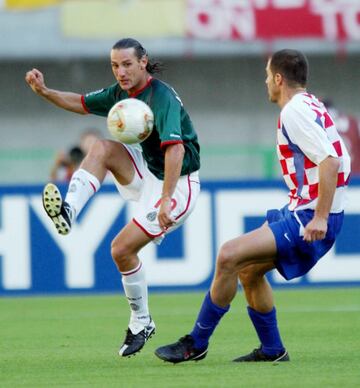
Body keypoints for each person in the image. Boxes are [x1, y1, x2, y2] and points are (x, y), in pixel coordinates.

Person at [155, 49, 351, 364]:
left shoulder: (294, 112)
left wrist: (321, 216)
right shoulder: (311, 104)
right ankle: (273, 350)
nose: (265, 83)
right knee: (247, 270)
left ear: (278, 78)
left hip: (308, 216)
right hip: (302, 209)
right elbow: (340, 157)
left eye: (266, 76)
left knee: (228, 254)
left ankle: (196, 343)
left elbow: (331, 160)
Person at [25, 37, 201, 357]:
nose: (120, 72)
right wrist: (45, 92)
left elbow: (175, 150)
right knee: (102, 147)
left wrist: (163, 200)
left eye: (127, 64)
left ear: (143, 62)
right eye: (115, 66)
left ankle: (140, 322)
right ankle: (68, 211)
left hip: (177, 184)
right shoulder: (121, 93)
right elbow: (80, 102)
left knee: (120, 250)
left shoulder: (161, 98)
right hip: (148, 171)